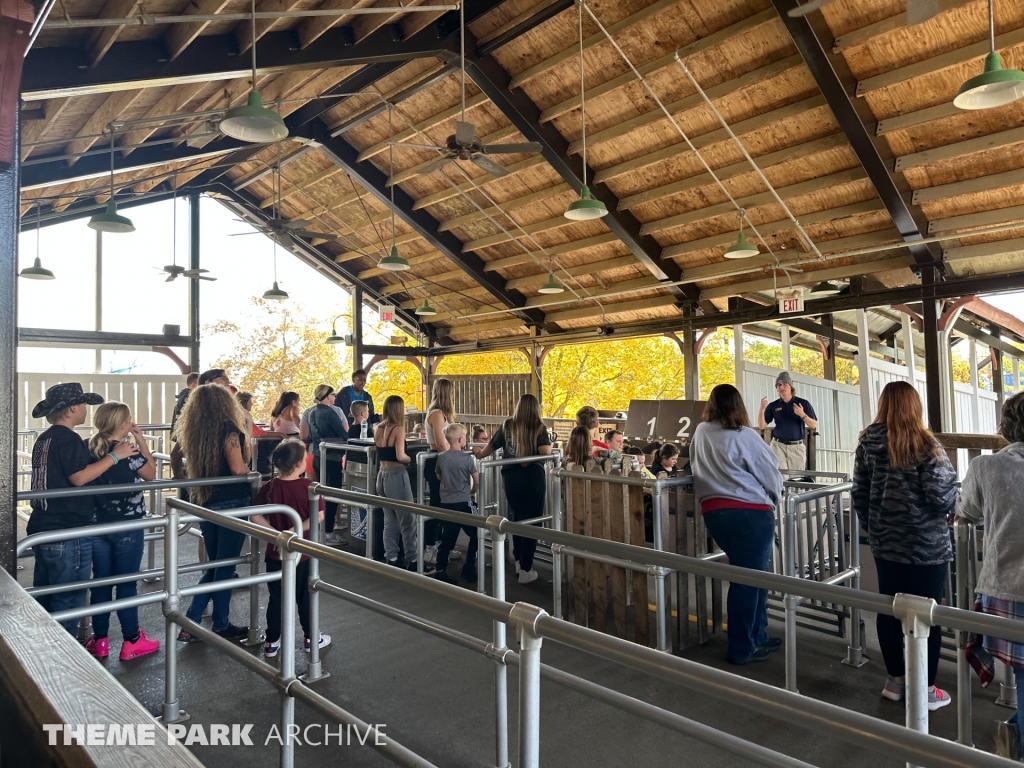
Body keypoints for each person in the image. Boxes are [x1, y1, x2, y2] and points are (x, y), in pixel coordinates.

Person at [852, 380, 957, 710]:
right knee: (926, 614)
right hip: (927, 547)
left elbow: (859, 492)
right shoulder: (925, 443)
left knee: (889, 609)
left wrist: (874, 526)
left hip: (886, 544)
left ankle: (896, 682)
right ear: (915, 406)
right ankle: (925, 688)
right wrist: (954, 505)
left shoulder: (867, 441)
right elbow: (941, 495)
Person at [28, 384, 138, 635]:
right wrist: (115, 456)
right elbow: (79, 478)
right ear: (73, 408)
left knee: (46, 595)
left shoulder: (45, 439)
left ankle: (42, 653)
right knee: (69, 600)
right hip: (68, 528)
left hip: (43, 525)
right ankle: (64, 660)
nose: (87, 410)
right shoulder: (68, 438)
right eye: (84, 405)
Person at [691, 384, 784, 665]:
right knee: (750, 581)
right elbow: (770, 471)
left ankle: (758, 634)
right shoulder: (746, 436)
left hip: (714, 512)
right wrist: (775, 499)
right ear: (739, 406)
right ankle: (743, 646)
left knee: (755, 576)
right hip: (751, 514)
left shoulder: (700, 432)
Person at [959, 391, 1024, 757]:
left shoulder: (986, 467)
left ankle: (1016, 739)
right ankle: (1014, 735)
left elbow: (967, 509)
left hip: (1007, 588)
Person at [172, 384, 253, 643]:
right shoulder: (229, 431)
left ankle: (193, 621)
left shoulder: (193, 432)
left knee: (217, 563)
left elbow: (175, 455)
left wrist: (180, 477)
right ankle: (216, 623)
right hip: (233, 502)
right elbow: (238, 469)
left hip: (206, 501)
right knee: (225, 565)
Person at [84, 402, 161, 661]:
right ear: (123, 424)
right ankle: (131, 640)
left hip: (96, 525)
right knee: (126, 583)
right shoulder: (127, 450)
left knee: (101, 582)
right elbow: (150, 473)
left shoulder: (89, 447)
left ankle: (101, 639)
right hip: (127, 525)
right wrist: (141, 440)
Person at [252, 440, 331, 657]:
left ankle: (272, 642)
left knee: (276, 599)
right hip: (302, 553)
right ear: (299, 463)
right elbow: (320, 515)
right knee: (304, 597)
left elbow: (255, 516)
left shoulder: (269, 487)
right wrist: (294, 530)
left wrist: (277, 534)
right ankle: (310, 638)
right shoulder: (308, 487)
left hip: (275, 554)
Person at [475, 394, 552, 584]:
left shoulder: (507, 425)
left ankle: (518, 560)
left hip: (511, 477)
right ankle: (526, 567)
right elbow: (546, 451)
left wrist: (478, 454)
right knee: (533, 521)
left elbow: (489, 448)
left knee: (517, 517)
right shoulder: (539, 427)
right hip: (533, 476)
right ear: (536, 409)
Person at [375, 395, 418, 570]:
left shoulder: (378, 428)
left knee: (390, 520)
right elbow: (401, 456)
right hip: (396, 475)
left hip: (381, 475)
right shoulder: (399, 428)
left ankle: (391, 557)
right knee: (408, 519)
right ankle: (413, 560)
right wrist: (412, 459)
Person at [433, 424, 480, 585]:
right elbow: (476, 480)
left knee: (448, 538)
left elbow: (438, 476)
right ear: (461, 440)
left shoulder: (441, 457)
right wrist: (472, 491)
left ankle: (440, 570)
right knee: (476, 534)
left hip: (446, 502)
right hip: (464, 502)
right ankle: (469, 567)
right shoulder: (467, 459)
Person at [307, 384, 349, 547]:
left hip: (317, 456)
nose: (335, 397)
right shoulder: (330, 413)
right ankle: (329, 532)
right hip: (332, 458)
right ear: (326, 396)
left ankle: (321, 529)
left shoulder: (312, 412)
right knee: (333, 495)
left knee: (321, 494)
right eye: (333, 394)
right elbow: (344, 435)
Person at [424, 378, 457, 564]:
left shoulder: (441, 414)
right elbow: (440, 443)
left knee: (446, 504)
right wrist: (455, 453)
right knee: (437, 504)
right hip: (438, 460)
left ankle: (443, 545)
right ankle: (430, 547)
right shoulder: (437, 414)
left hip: (444, 460)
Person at [758, 371, 817, 471]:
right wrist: (762, 409)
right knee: (781, 478)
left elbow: (813, 425)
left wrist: (802, 414)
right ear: (776, 388)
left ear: (790, 386)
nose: (782, 387)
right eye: (779, 385)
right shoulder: (773, 406)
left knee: (796, 480)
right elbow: (761, 426)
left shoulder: (803, 403)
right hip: (778, 446)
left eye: (785, 384)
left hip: (796, 447)